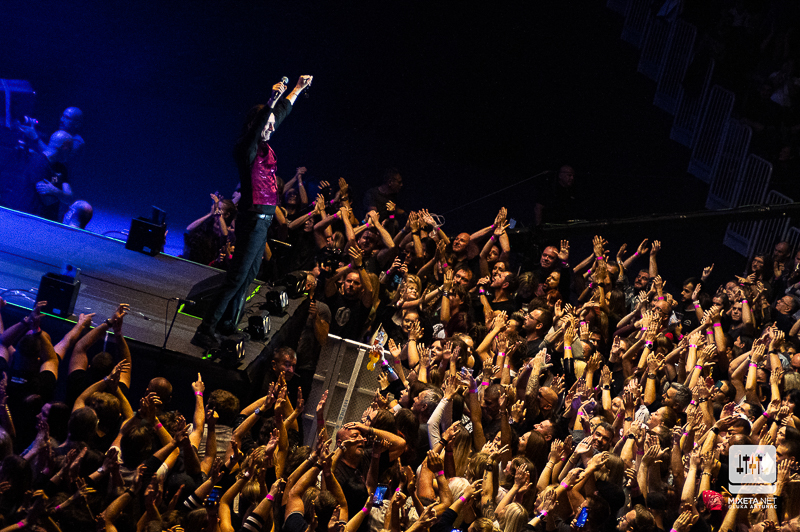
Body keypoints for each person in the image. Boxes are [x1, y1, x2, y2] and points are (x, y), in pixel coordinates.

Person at [192, 74, 313, 349]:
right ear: (254, 125)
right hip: (252, 219)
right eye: (266, 124)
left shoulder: (263, 145)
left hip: (264, 220)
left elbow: (279, 115)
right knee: (237, 276)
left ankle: (227, 325)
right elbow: (265, 120)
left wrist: (296, 89)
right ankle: (205, 329)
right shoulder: (244, 150)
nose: (272, 128)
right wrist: (271, 100)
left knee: (248, 276)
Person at [1, 130, 73, 221]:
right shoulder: (38, 163)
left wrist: (54, 190)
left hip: (47, 221)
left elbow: (69, 198)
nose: (71, 153)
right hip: (31, 219)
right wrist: (61, 195)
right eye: (70, 149)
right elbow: (47, 200)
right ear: (64, 147)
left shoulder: (61, 168)